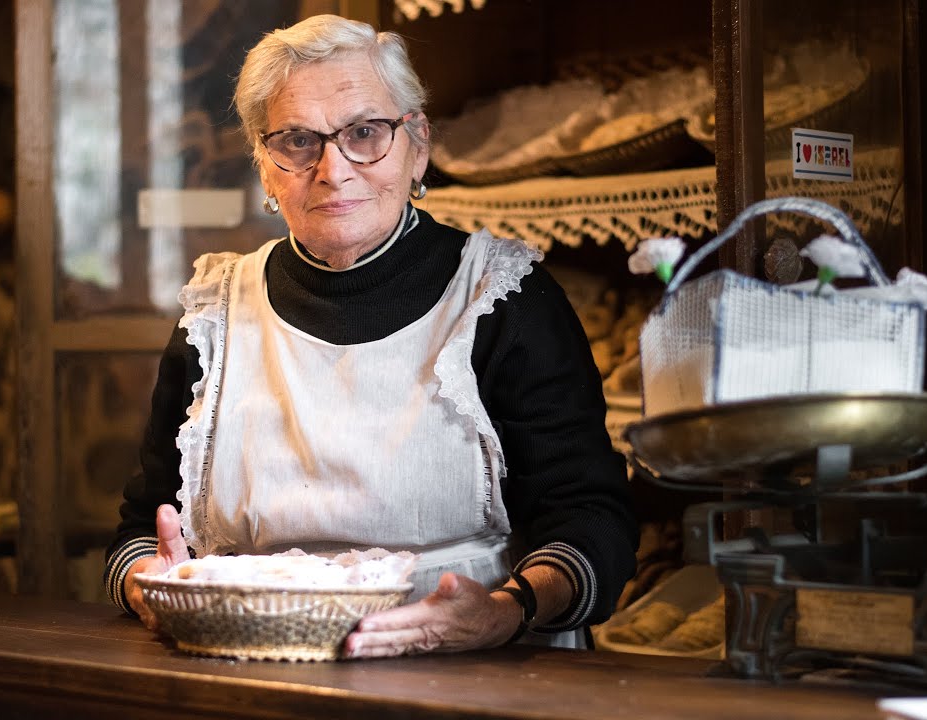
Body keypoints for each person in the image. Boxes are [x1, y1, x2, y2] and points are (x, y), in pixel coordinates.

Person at [103, 13, 638, 658]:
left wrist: (507, 610)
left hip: (473, 676)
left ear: (418, 144)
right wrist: (149, 588)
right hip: (247, 674)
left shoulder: (501, 298)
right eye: (298, 141)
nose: (333, 169)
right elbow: (140, 533)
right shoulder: (216, 312)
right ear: (265, 165)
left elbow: (593, 519)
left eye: (364, 133)